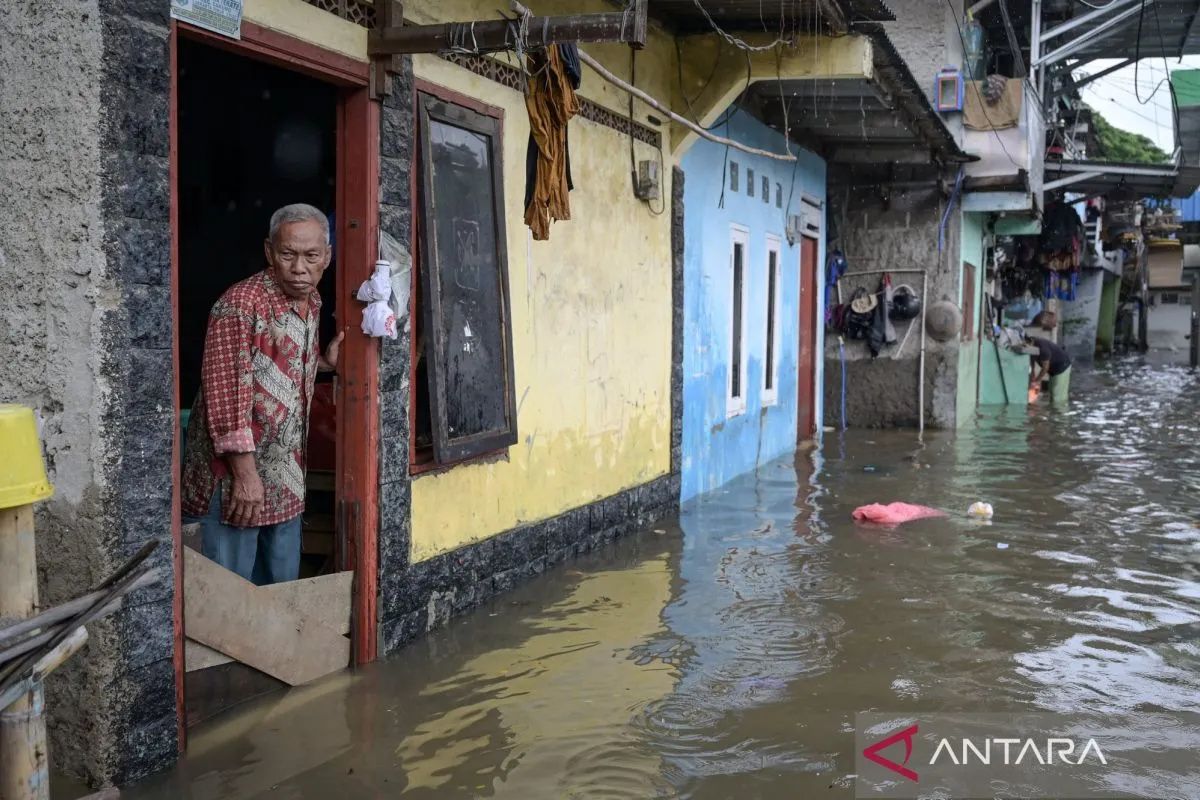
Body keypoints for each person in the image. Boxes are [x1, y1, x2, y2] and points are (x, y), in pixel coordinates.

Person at [182, 204, 344, 585]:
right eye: (288, 255)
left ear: (328, 256)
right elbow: (225, 394)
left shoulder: (312, 302)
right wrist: (245, 476)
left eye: (311, 256)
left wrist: (322, 363)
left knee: (279, 596)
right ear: (270, 252)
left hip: (286, 481)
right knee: (230, 599)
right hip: (235, 483)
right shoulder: (240, 306)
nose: (299, 267)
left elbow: (274, 367)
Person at [1027, 333, 1071, 406]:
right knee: (1052, 392)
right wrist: (1032, 379)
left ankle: (1060, 413)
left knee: (1058, 396)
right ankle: (1052, 413)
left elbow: (1045, 367)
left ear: (1029, 342)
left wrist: (1037, 381)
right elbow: (1032, 366)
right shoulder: (1031, 350)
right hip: (1052, 370)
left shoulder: (1042, 348)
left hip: (1062, 366)